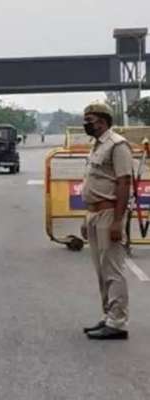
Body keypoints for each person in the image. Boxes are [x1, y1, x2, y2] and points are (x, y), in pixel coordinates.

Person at [80, 102, 133, 340]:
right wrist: (85, 217)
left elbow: (124, 183)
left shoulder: (117, 145)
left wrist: (117, 222)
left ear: (102, 121)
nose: (86, 124)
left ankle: (118, 322)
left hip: (109, 213)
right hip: (94, 213)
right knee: (101, 270)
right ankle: (109, 316)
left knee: (113, 270)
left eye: (89, 120)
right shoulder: (96, 146)